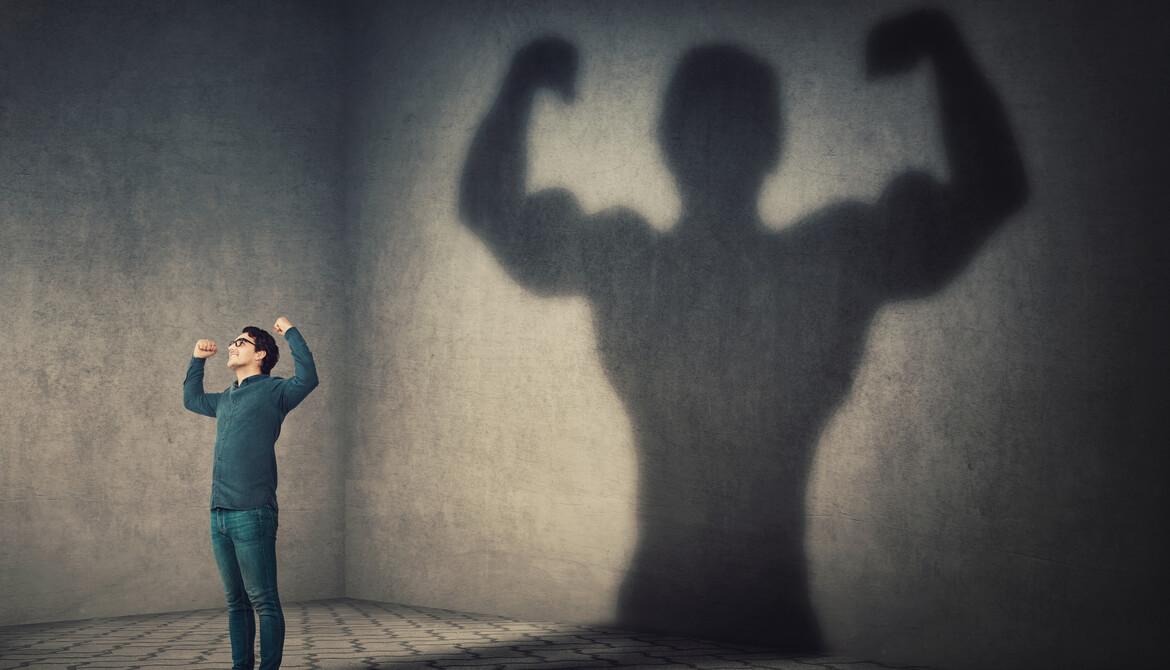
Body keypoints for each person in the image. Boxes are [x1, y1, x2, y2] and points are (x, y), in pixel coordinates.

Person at [460, 9, 1026, 649]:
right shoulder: (821, 263)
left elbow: (492, 210)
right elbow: (990, 191)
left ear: (666, 138)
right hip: (759, 614)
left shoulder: (640, 261)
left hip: (681, 608)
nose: (719, 140)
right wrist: (942, 48)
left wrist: (521, 84)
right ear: (775, 140)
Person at [183, 317, 319, 670]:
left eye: (240, 342)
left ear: (260, 354)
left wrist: (290, 331)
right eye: (232, 341)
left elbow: (308, 378)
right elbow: (192, 399)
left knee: (264, 602)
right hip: (219, 513)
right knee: (236, 602)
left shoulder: (276, 391)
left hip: (253, 511)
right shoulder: (226, 398)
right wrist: (197, 359)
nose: (232, 345)